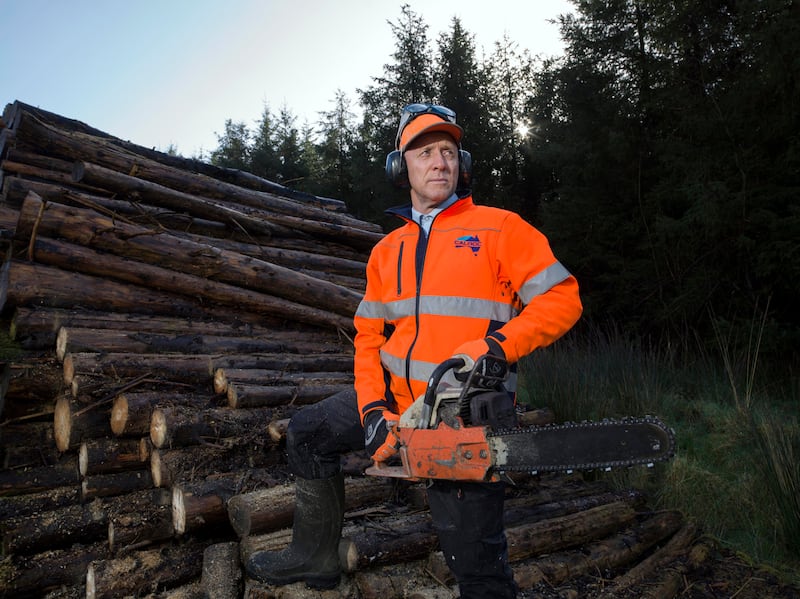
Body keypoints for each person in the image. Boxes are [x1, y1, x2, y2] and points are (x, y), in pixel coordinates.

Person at [245, 103, 583, 597]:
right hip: (398, 407)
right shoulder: (387, 251)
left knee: (476, 566)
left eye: (448, 152)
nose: (439, 163)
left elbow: (562, 298)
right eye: (425, 153)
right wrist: (372, 414)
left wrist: (495, 349)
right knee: (308, 432)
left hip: (464, 418)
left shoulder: (499, 229)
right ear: (401, 166)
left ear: (461, 165)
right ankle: (315, 557)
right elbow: (368, 339)